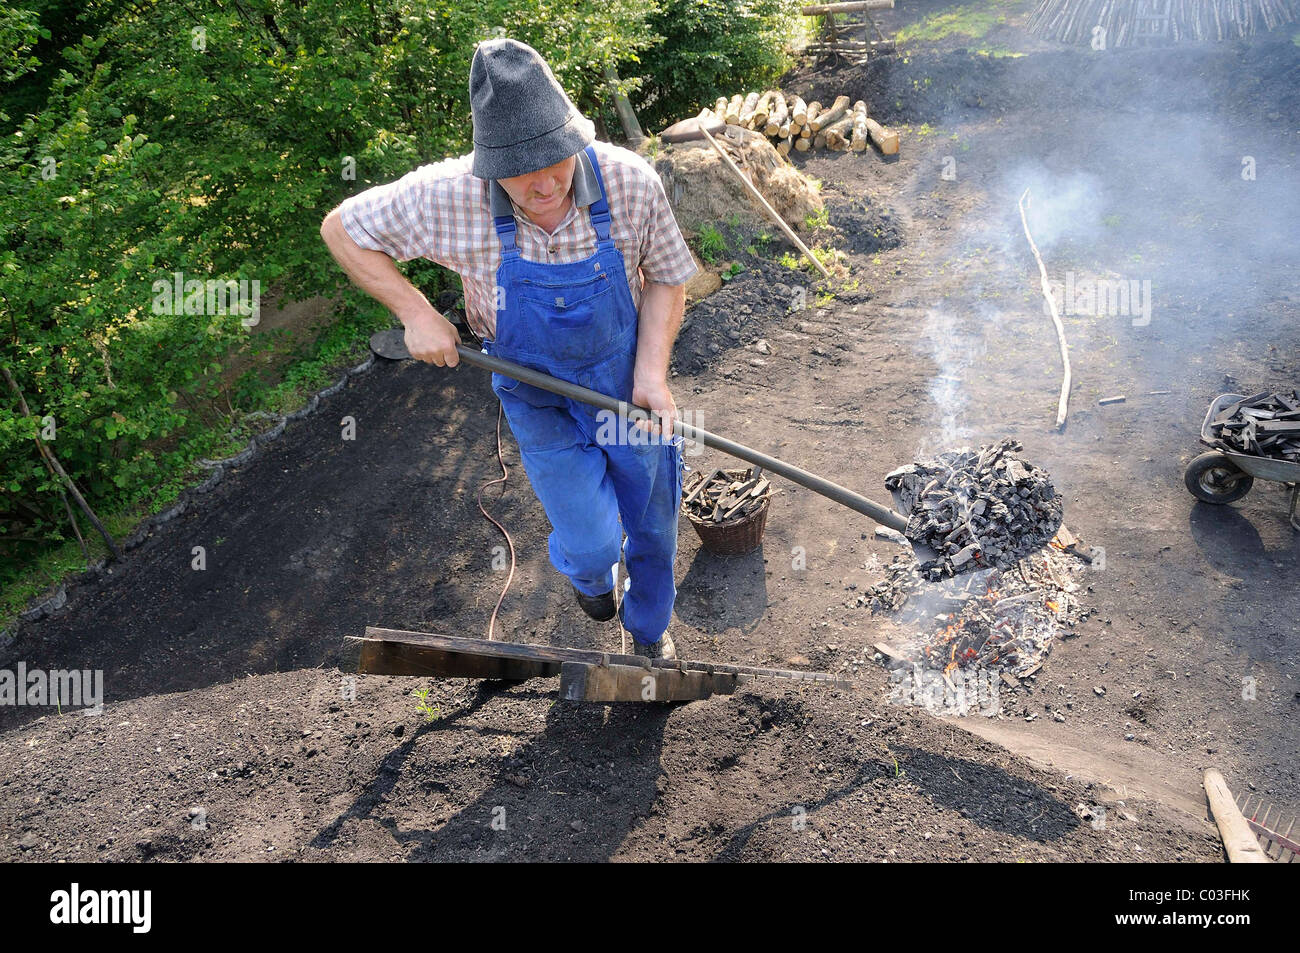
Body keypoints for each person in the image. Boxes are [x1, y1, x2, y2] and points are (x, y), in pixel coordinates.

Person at [320, 38, 697, 658]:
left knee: (652, 525)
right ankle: (590, 576)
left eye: (557, 162)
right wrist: (416, 314)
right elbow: (342, 229)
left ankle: (650, 639)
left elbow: (667, 277)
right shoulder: (447, 197)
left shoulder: (629, 182)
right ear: (488, 162)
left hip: (624, 384)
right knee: (595, 538)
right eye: (523, 172)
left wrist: (653, 374)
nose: (546, 184)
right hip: (534, 393)